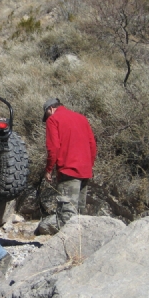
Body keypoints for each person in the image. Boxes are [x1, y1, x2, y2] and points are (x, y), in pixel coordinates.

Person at [43, 97, 97, 227]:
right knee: (79, 213)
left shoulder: (53, 119)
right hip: (85, 171)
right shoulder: (81, 118)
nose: (47, 119)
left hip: (68, 171)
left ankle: (65, 246)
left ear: (51, 109)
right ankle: (79, 246)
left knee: (66, 215)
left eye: (47, 114)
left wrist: (49, 169)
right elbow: (92, 145)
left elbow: (54, 147)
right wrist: (89, 165)